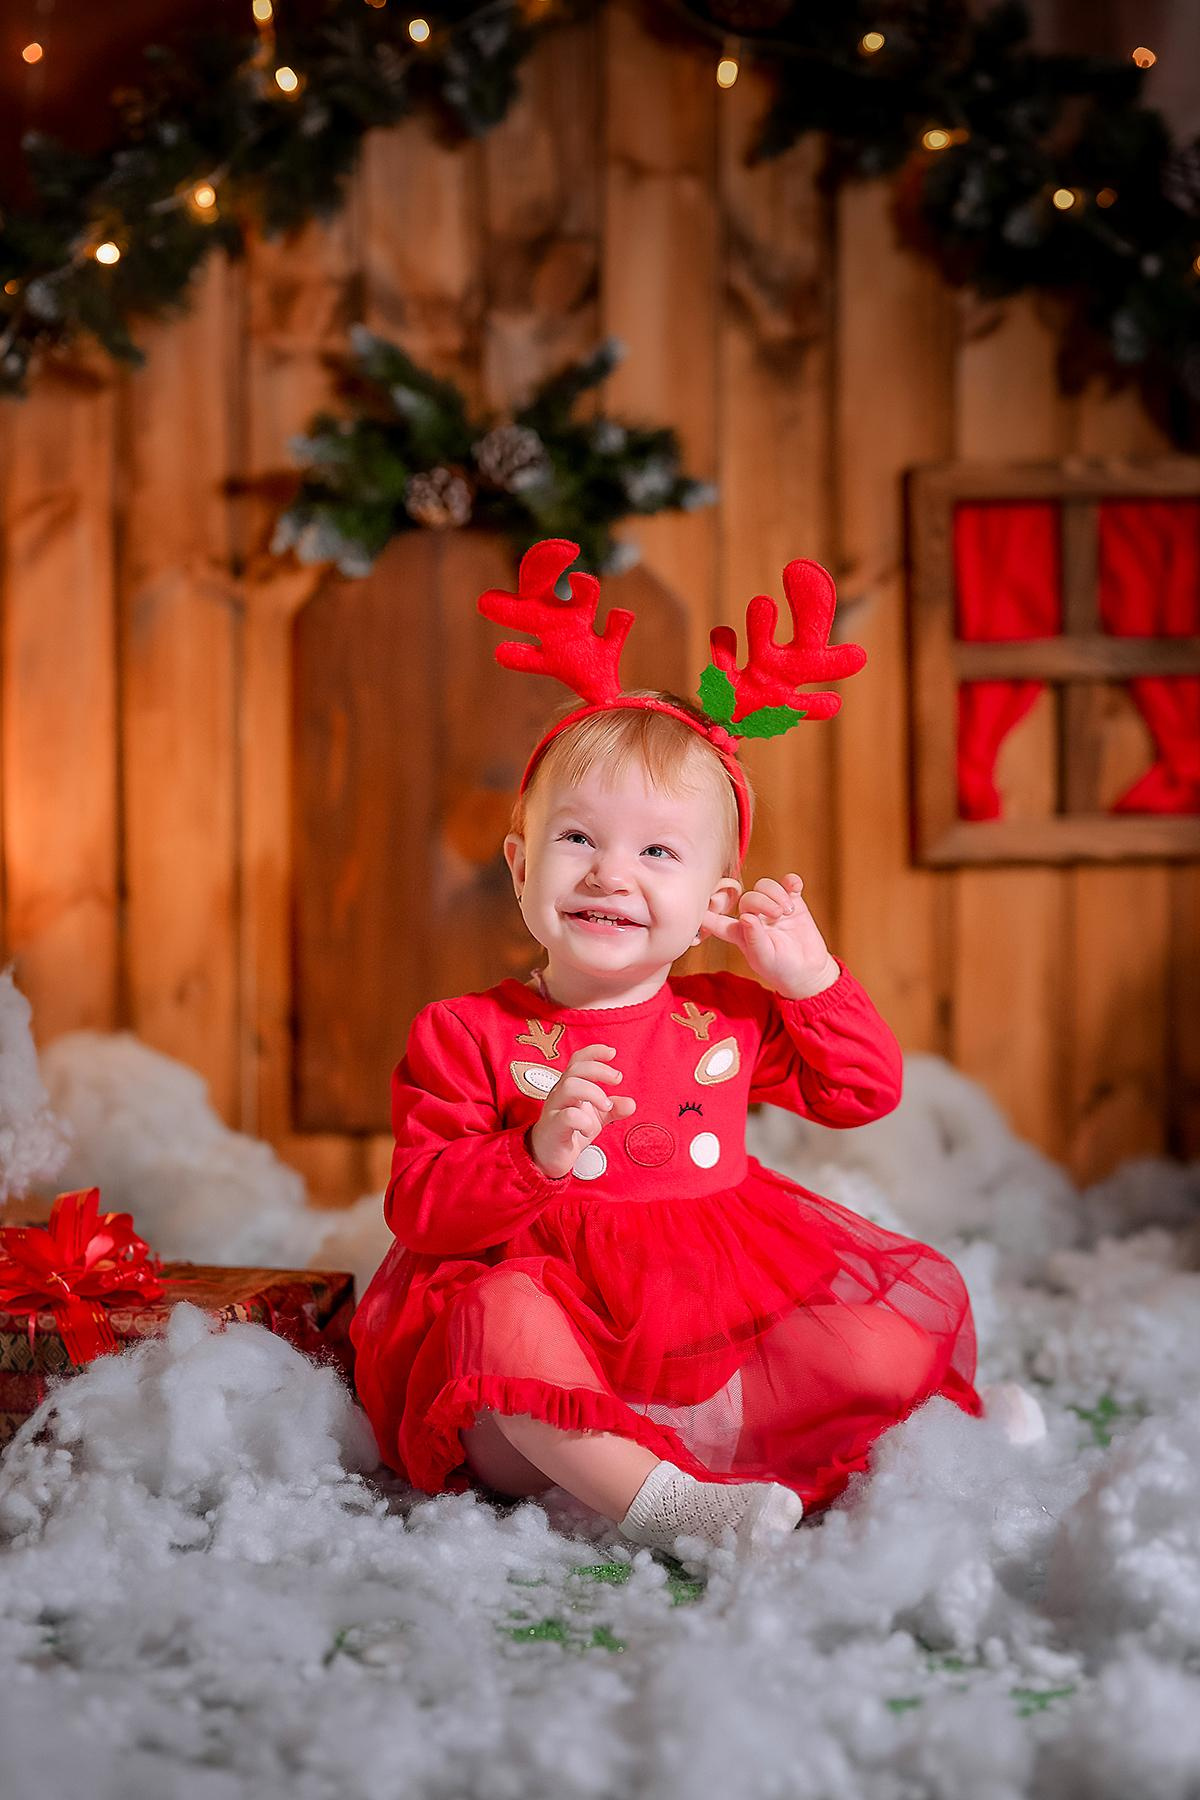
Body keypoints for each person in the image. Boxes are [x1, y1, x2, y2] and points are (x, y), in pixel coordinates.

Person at [350, 541, 1041, 1561]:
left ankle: (942, 1443)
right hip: (536, 1393)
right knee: (501, 1313)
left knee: (878, 1329)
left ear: (715, 899)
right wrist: (531, 1155)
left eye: (657, 851)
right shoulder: (466, 1032)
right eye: (577, 839)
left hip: (691, 1340)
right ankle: (670, 1506)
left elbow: (863, 1091)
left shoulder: (721, 1016)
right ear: (520, 863)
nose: (610, 875)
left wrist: (809, 981)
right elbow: (421, 1205)